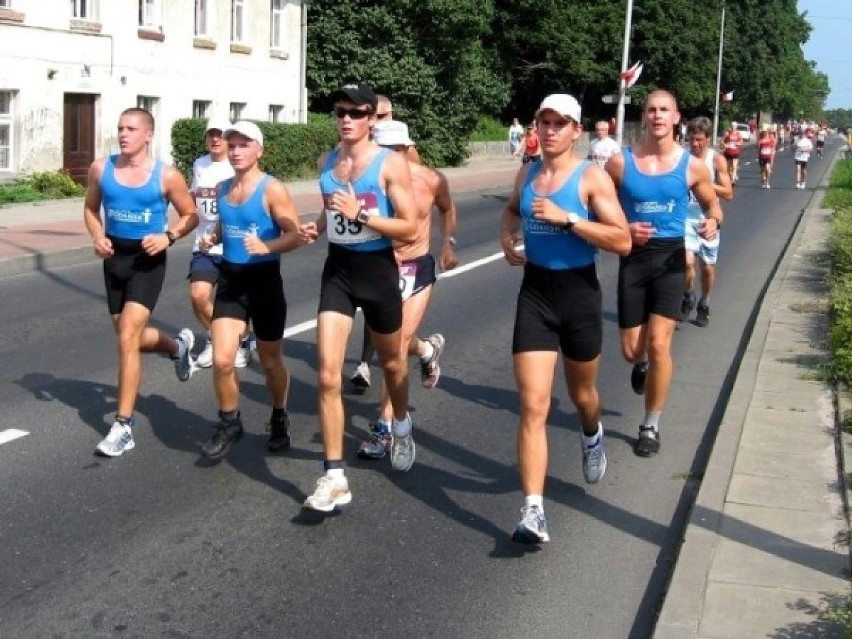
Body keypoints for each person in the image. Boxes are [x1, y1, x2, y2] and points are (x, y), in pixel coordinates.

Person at [500, 94, 631, 544]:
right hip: (535, 294)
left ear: (576, 131)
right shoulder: (528, 173)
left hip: (578, 295)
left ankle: (592, 434)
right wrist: (505, 239)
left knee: (582, 395)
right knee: (533, 405)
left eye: (560, 123)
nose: (550, 130)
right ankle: (533, 510)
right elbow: (510, 210)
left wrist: (570, 218)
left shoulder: (591, 178)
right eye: (545, 122)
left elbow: (622, 240)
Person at [299, 81, 418, 512]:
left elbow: (410, 226)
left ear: (371, 118)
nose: (346, 119)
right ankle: (333, 476)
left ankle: (400, 423)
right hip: (340, 270)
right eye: (340, 111)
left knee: (392, 364)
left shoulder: (388, 165)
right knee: (328, 376)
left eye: (355, 112)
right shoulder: (327, 162)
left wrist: (363, 214)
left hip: (378, 270)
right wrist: (317, 224)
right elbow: (334, 212)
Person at [606, 90, 723, 458]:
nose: (657, 116)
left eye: (664, 110)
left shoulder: (692, 166)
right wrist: (624, 228)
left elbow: (713, 204)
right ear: (644, 116)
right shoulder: (619, 164)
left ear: (677, 118)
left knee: (660, 344)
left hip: (671, 257)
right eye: (651, 110)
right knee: (631, 351)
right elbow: (599, 209)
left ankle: (650, 425)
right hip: (634, 259)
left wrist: (713, 222)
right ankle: (640, 364)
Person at [82, 107, 198, 457]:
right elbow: (89, 209)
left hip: (148, 259)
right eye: (120, 128)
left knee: (128, 336)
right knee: (125, 334)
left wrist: (169, 235)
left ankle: (123, 425)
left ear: (148, 134)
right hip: (115, 257)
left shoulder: (167, 176)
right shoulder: (102, 169)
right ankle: (178, 348)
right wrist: (97, 235)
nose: (123, 134)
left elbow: (191, 214)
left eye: (131, 128)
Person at [198, 121, 309, 460]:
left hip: (264, 282)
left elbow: (295, 235)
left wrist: (267, 245)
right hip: (231, 282)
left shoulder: (272, 189)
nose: (235, 150)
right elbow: (223, 225)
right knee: (221, 358)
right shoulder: (222, 187)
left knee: (270, 359)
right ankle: (230, 421)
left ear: (259, 150)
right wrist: (212, 238)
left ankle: (279, 416)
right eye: (231, 145)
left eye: (244, 144)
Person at [356, 119, 459, 461]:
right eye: (383, 150)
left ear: (407, 149)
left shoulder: (430, 179)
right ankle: (428, 349)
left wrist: (448, 243)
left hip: (415, 267)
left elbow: (447, 208)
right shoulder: (366, 179)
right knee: (392, 340)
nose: (390, 157)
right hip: (379, 267)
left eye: (396, 150)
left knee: (394, 349)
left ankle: (386, 427)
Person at [348, 93, 421, 391]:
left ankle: (424, 350)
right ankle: (365, 362)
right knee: (372, 312)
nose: (378, 121)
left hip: (404, 247)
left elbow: (420, 192)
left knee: (396, 330)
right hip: (371, 245)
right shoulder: (358, 145)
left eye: (383, 115)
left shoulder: (401, 146)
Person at [187, 117, 253, 371]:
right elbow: (196, 198)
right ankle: (216, 338)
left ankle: (243, 341)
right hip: (204, 244)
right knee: (198, 296)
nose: (215, 140)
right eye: (210, 135)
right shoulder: (199, 165)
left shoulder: (236, 166)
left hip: (232, 246)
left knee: (235, 302)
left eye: (220, 135)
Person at [681, 116, 734, 328]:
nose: (695, 144)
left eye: (699, 139)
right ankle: (688, 294)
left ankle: (705, 302)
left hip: (708, 218)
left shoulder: (716, 160)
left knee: (708, 267)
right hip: (686, 217)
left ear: (708, 138)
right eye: (691, 139)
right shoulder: (682, 158)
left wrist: (703, 184)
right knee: (686, 261)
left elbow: (728, 192)